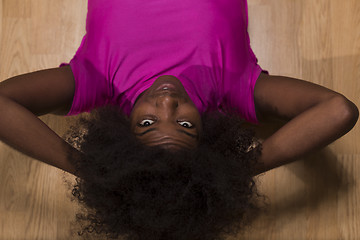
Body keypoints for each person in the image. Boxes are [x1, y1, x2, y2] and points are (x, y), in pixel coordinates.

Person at [0, 0, 358, 239]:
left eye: (147, 123)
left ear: (122, 138)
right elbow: (339, 110)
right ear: (209, 141)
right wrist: (235, 173)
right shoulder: (231, 89)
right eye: (186, 125)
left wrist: (92, 170)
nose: (167, 102)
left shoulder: (97, 82)